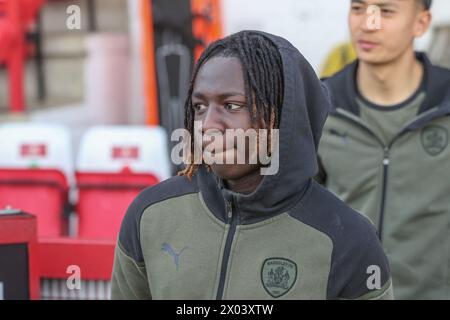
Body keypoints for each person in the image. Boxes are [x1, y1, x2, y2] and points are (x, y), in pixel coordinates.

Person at [111, 30, 393, 300]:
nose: (207, 125)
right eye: (199, 107)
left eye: (231, 106)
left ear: (282, 115)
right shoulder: (150, 214)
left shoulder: (347, 239)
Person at [318, 0, 450, 299]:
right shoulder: (320, 109)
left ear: (422, 23)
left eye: (386, 11)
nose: (368, 23)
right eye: (358, 8)